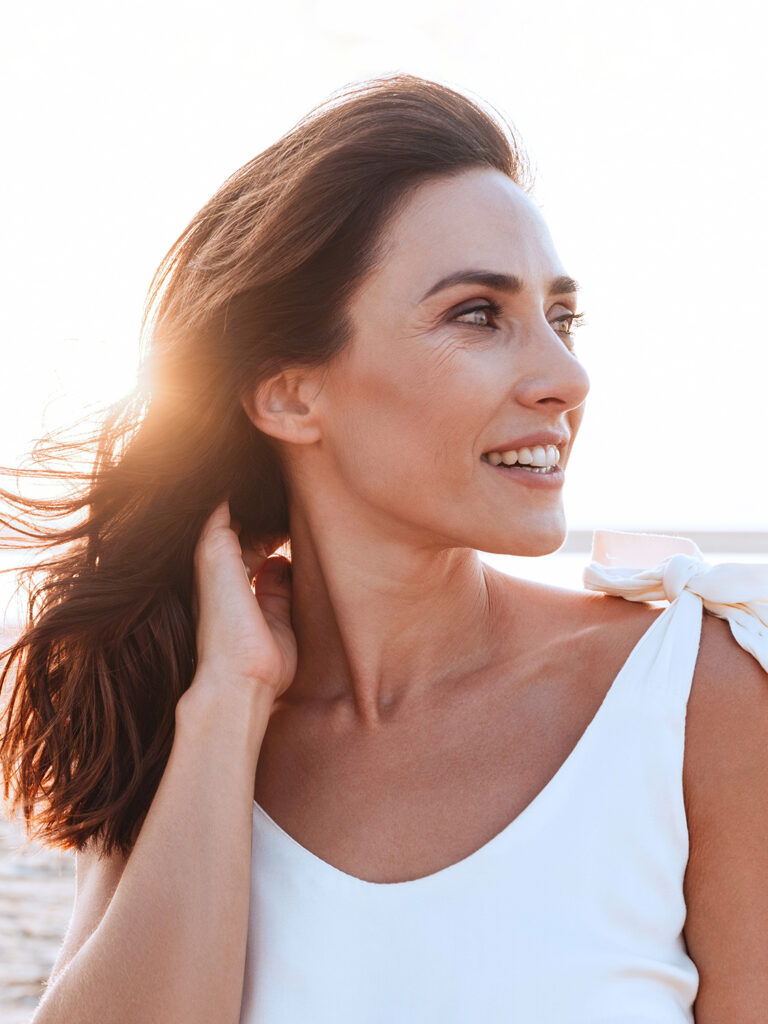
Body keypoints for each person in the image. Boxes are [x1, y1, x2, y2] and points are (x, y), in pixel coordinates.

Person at [1, 72, 767, 1024]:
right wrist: (228, 706)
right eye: (478, 315)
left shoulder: (698, 695)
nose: (566, 378)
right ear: (288, 393)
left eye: (560, 319)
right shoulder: (188, 727)